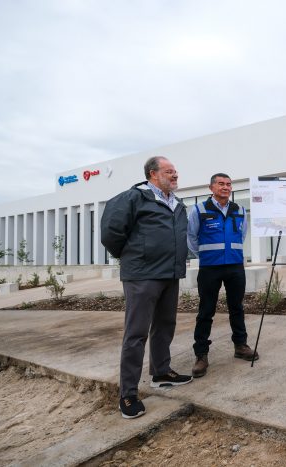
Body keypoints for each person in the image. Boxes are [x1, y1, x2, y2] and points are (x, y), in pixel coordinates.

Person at [101, 156, 193, 420]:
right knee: (136, 334)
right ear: (153, 174)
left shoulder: (177, 203)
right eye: (169, 171)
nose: (175, 175)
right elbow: (111, 234)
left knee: (165, 325)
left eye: (176, 171)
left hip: (170, 274)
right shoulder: (133, 198)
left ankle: (161, 372)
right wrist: (134, 256)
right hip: (142, 276)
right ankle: (128, 393)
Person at [188, 173, 258, 378]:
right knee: (206, 311)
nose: (226, 187)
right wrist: (205, 255)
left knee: (237, 308)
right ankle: (201, 355)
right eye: (221, 184)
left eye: (228, 184)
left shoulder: (239, 210)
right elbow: (191, 237)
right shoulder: (199, 209)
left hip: (235, 266)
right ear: (211, 187)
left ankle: (240, 346)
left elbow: (242, 235)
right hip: (210, 267)